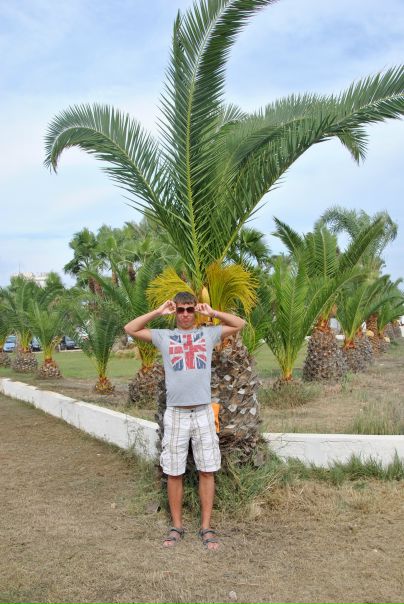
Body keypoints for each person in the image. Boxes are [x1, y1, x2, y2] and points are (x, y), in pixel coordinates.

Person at [124, 291, 245, 550]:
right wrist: (159, 311)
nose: (186, 314)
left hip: (203, 412)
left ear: (195, 311)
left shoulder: (208, 334)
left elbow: (239, 324)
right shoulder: (164, 337)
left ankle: (206, 527)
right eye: (181, 310)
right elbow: (130, 328)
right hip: (176, 413)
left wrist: (212, 313)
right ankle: (176, 526)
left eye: (190, 309)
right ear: (175, 312)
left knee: (207, 469)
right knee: (174, 470)